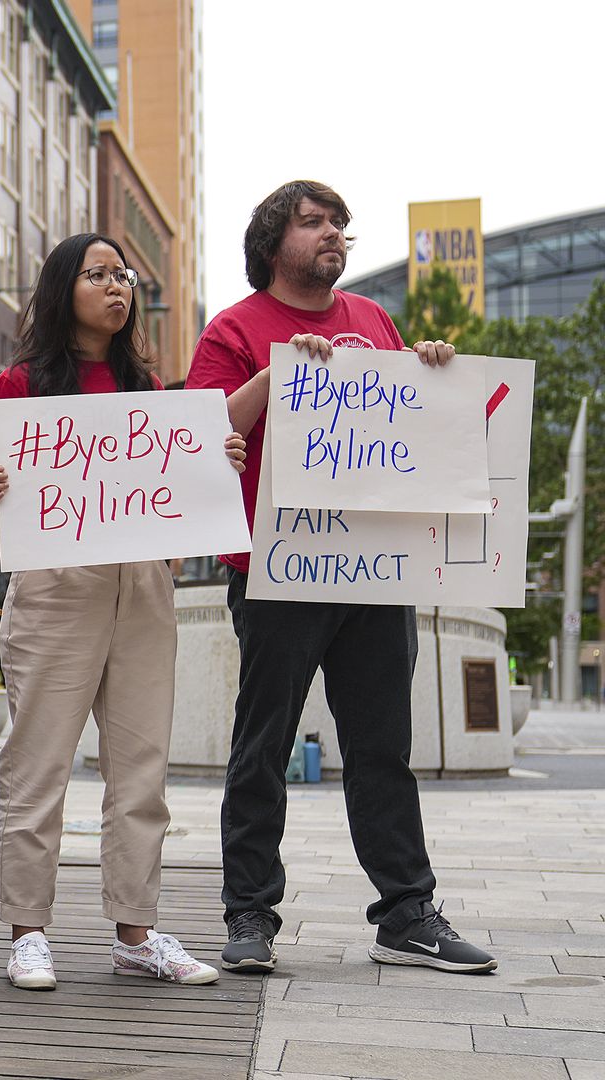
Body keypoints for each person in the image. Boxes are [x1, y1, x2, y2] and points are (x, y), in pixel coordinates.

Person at [188, 180, 497, 975]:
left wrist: (431, 370)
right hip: (277, 567)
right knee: (263, 744)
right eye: (315, 222)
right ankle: (250, 913)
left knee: (383, 745)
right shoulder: (235, 329)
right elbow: (199, 437)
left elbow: (406, 428)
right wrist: (278, 375)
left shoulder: (372, 321)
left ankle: (406, 914)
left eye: (340, 226)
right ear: (272, 242)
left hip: (374, 569)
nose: (334, 234)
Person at [0, 232, 244, 991]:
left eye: (123, 274)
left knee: (141, 768)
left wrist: (216, 464)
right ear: (65, 289)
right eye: (98, 274)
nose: (117, 286)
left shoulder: (151, 391)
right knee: (38, 764)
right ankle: (28, 932)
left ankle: (136, 932)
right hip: (56, 583)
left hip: (145, 584)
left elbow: (182, 489)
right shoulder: (21, 384)